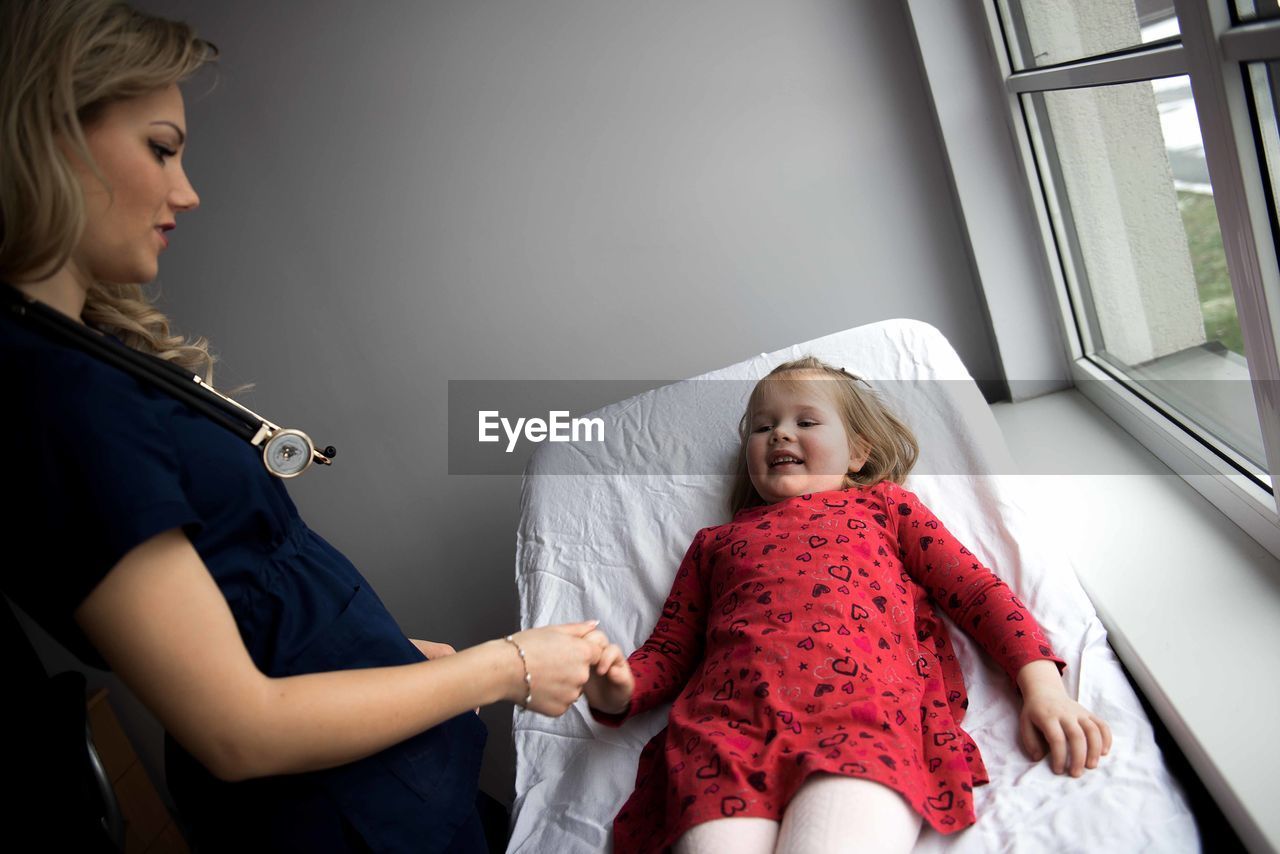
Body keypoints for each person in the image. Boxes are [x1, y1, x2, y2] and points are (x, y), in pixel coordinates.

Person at [0, 1, 613, 851]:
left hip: (384, 777)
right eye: (162, 148)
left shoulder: (85, 357)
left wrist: (381, 652)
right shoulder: (49, 393)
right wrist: (507, 666)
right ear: (51, 133)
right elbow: (238, 727)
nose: (186, 190)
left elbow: (236, 597)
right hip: (332, 817)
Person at [583, 357, 1113, 854]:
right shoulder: (714, 544)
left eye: (806, 421)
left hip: (861, 715)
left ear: (857, 453)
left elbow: (977, 593)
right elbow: (670, 650)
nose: (781, 433)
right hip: (723, 734)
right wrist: (617, 688)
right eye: (762, 427)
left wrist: (1042, 688)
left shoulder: (885, 507)